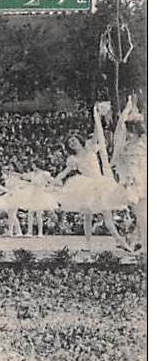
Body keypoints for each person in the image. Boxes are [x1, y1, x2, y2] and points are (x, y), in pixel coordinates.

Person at [54, 103, 133, 251]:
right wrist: (54, 181)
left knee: (107, 214)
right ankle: (88, 245)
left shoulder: (90, 146)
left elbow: (97, 132)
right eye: (69, 143)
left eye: (74, 140)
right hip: (86, 186)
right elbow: (63, 173)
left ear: (79, 139)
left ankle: (121, 242)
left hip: (100, 183)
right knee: (87, 216)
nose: (72, 144)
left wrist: (96, 115)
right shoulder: (73, 159)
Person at [111, 95, 147, 253]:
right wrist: (127, 108)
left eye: (132, 131)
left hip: (140, 179)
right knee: (138, 213)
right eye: (129, 131)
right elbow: (119, 130)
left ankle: (144, 244)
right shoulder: (127, 145)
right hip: (132, 180)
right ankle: (138, 240)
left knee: (142, 213)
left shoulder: (142, 143)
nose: (129, 134)